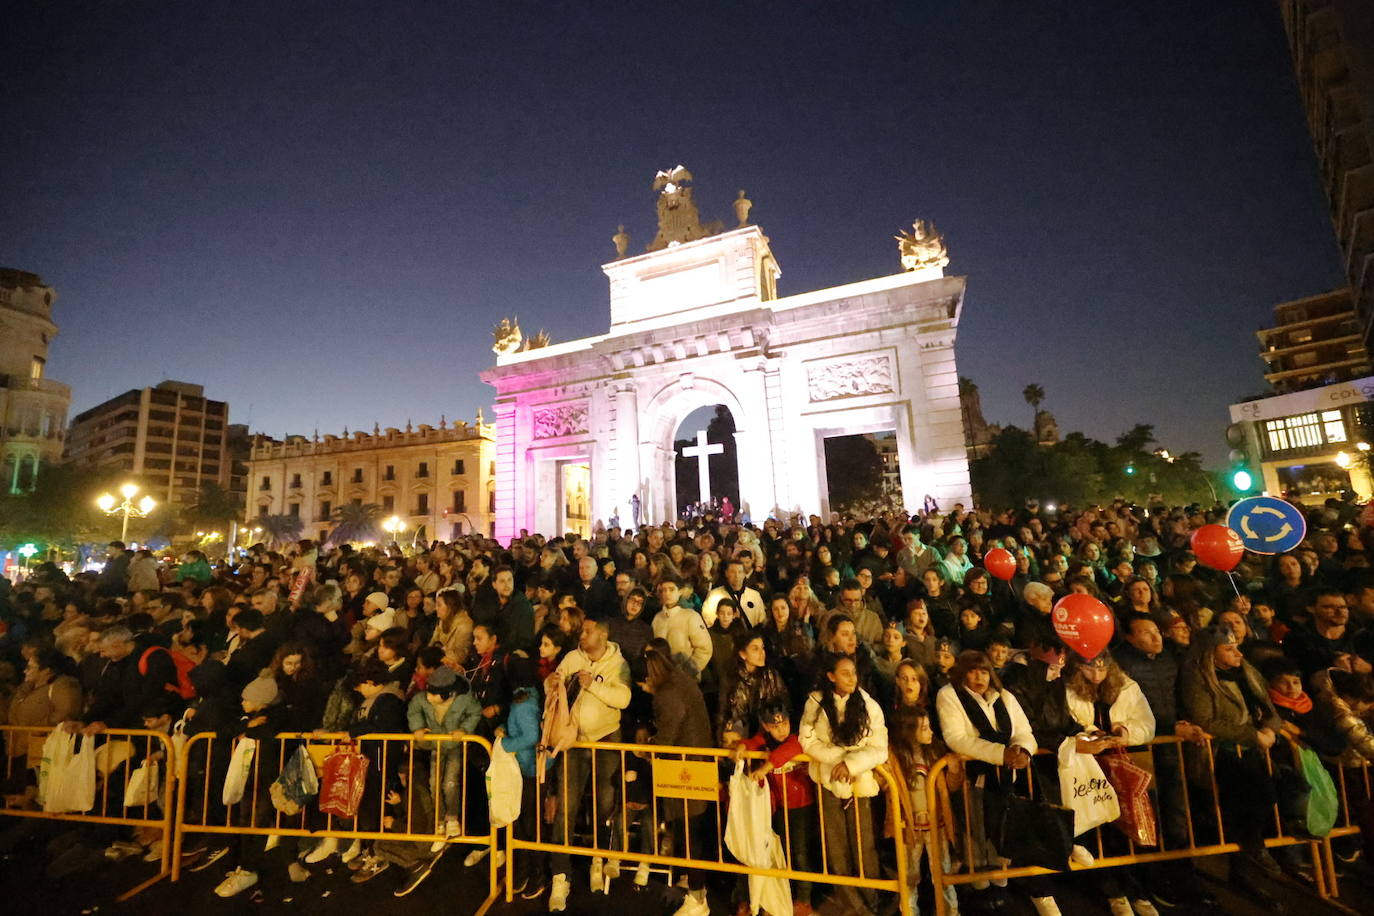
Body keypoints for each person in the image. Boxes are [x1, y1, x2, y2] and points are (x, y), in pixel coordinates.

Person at [936, 650, 1060, 915]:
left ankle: (1001, 885)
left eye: (983, 671)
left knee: (1004, 831)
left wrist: (1023, 751)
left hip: (1007, 777)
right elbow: (956, 737)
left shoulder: (1004, 696)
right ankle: (980, 888)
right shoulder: (950, 694)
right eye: (972, 671)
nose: (978, 677)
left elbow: (1024, 731)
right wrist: (998, 754)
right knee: (976, 833)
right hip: (976, 775)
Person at [545, 617, 632, 911]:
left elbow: (624, 697)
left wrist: (593, 685)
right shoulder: (571, 658)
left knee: (605, 802)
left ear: (603, 636)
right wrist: (553, 683)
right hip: (573, 741)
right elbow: (551, 686)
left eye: (587, 631)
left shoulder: (619, 663)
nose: (581, 634)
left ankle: (600, 858)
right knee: (567, 806)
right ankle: (560, 875)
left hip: (606, 739)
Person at [799, 654, 888, 916]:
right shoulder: (815, 703)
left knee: (863, 845)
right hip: (828, 781)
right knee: (836, 846)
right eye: (845, 673)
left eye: (853, 672)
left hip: (859, 783)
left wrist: (851, 766)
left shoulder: (869, 706)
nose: (852, 678)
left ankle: (870, 902)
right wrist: (837, 762)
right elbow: (807, 740)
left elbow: (879, 748)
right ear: (831, 676)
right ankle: (852, 904)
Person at [638, 639, 714, 916]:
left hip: (685, 771)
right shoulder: (680, 680)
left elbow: (668, 735)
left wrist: (649, 749)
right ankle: (693, 881)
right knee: (691, 830)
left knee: (689, 832)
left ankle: (697, 898)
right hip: (697, 764)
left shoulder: (667, 693)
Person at [651, 578, 712, 680]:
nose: (667, 593)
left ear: (679, 592)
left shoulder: (690, 616)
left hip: (686, 678)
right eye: (664, 590)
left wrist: (688, 671)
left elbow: (704, 649)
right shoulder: (657, 618)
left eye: (671, 589)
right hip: (663, 677)